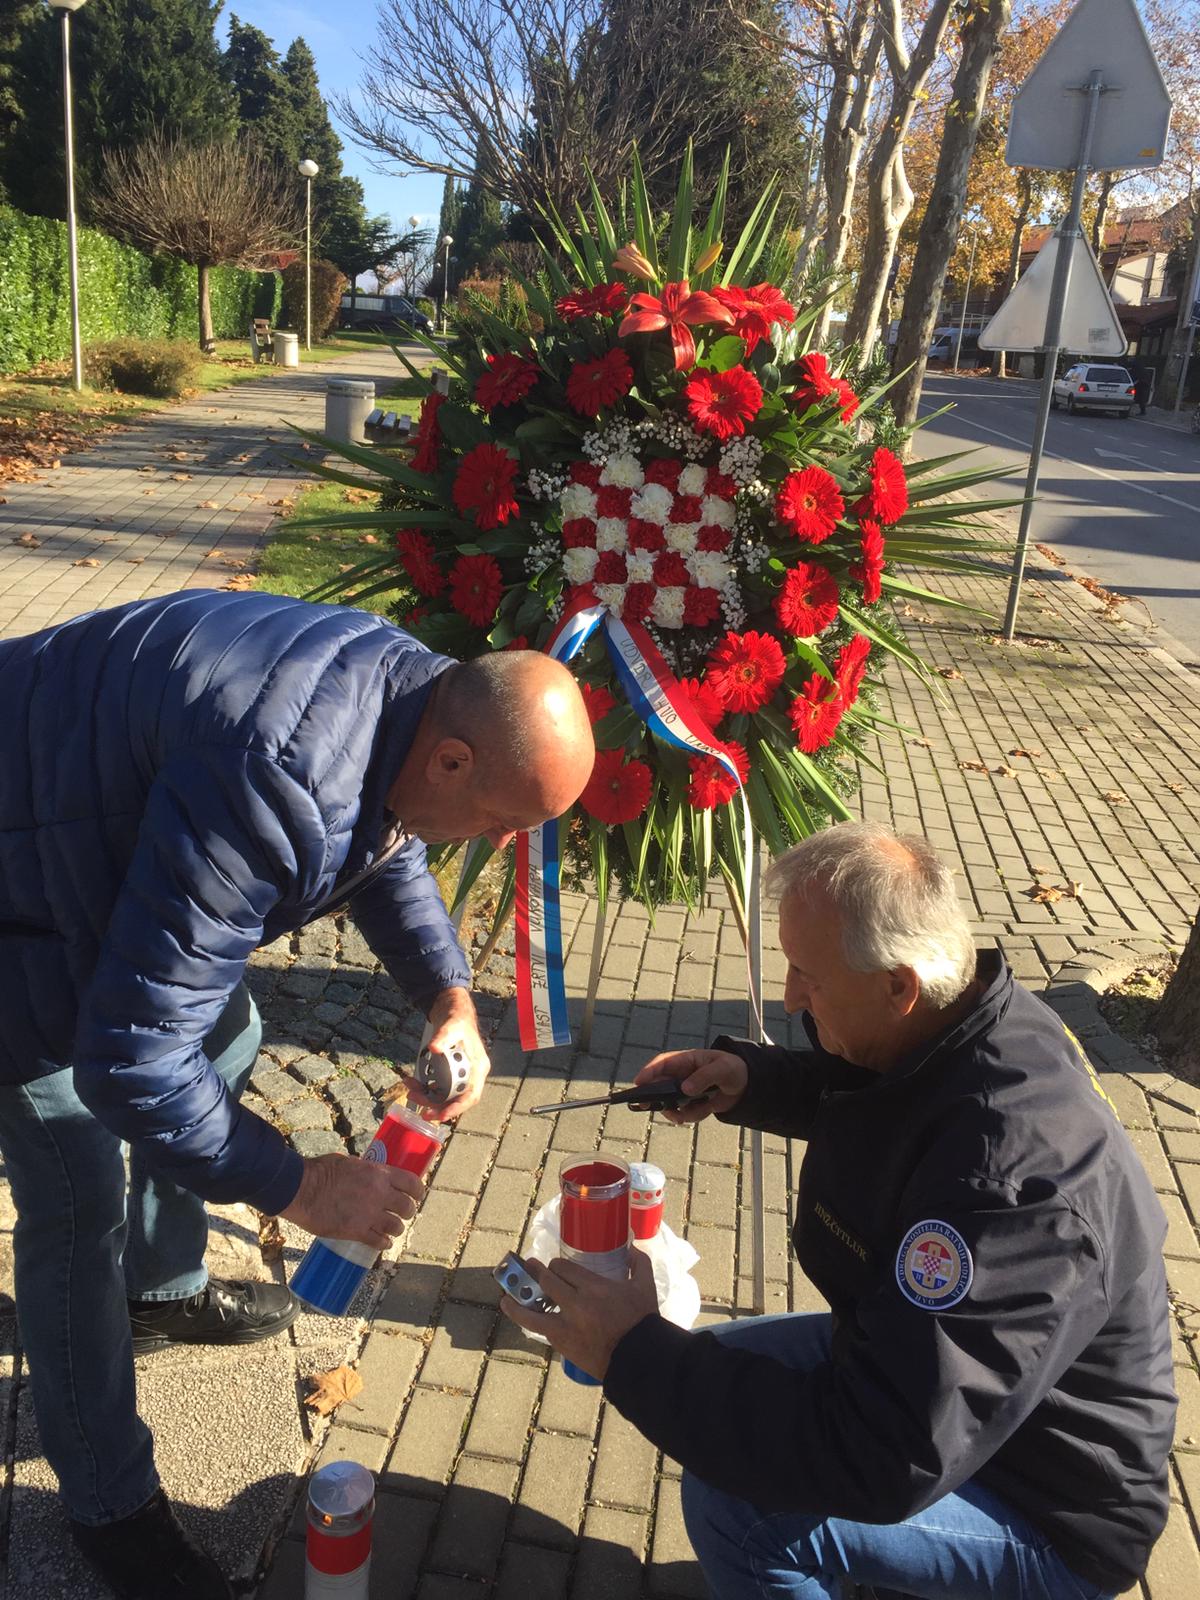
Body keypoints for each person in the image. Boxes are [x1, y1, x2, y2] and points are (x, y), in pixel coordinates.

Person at [0, 589, 594, 1600]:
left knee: (230, 1030)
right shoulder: (276, 771)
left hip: (76, 821)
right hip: (20, 897)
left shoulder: (408, 694)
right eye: (502, 822)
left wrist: (448, 994)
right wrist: (302, 1186)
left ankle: (163, 1288)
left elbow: (384, 840)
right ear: (454, 760)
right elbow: (131, 1059)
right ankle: (108, 1504)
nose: (497, 845)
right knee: (76, 1193)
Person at [503, 821, 1176, 1600]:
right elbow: (879, 1089)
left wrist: (630, 1352)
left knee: (737, 1507)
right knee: (715, 1367)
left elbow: (881, 1457)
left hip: (1051, 1507)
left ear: (898, 986)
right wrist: (754, 1079)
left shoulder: (1012, 1188)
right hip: (945, 1394)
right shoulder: (963, 1017)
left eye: (808, 978)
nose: (790, 997)